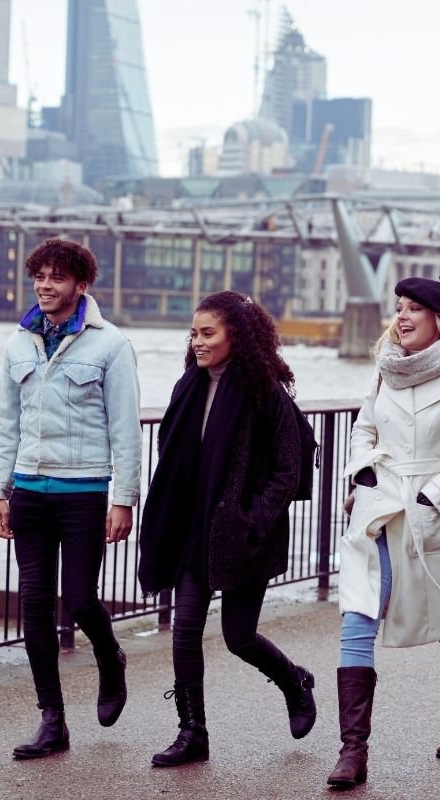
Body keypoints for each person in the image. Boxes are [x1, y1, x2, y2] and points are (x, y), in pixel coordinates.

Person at [329, 277, 440, 790]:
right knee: (357, 620)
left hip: (427, 516)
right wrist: (364, 471)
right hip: (377, 510)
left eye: (414, 309)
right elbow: (364, 428)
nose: (402, 317)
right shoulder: (384, 370)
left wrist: (433, 494)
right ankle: (352, 750)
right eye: (399, 308)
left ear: (439, 319)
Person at [137, 291, 317, 768]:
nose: (197, 342)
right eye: (193, 333)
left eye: (207, 333)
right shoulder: (187, 387)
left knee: (239, 637)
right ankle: (192, 732)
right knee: (185, 630)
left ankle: (295, 682)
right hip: (193, 530)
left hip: (242, 535)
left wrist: (254, 518)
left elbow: (288, 469)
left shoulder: (266, 395)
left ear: (235, 335)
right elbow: (172, 453)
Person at [0, 238, 142, 760]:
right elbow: (5, 424)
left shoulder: (110, 345)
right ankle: (51, 720)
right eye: (39, 277)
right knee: (33, 603)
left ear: (81, 285)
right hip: (29, 491)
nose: (45, 286)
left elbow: (126, 430)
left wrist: (123, 499)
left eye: (56, 278)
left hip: (84, 492)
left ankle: (109, 656)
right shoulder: (19, 343)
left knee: (78, 598)